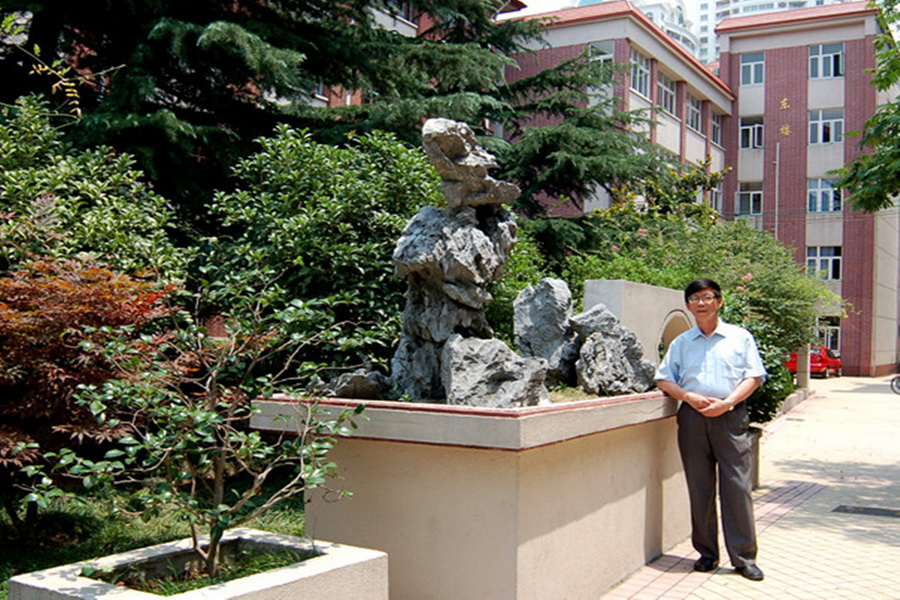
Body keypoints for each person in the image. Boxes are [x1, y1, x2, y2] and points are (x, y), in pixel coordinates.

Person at [655, 278, 767, 582]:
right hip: (692, 418)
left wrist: (728, 403)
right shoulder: (682, 343)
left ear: (718, 301)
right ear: (688, 305)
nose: (701, 303)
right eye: (694, 299)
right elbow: (663, 379)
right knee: (699, 486)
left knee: (737, 486)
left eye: (706, 297)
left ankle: (744, 558)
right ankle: (706, 553)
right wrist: (688, 397)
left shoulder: (739, 337)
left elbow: (754, 376)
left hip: (730, 417)